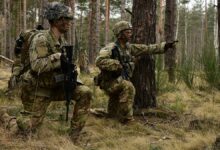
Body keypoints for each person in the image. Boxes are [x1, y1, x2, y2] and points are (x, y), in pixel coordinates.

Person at [1, 2, 92, 142]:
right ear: (55, 20)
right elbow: (37, 66)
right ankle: (6, 118)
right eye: (65, 19)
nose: (68, 22)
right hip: (38, 88)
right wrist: (58, 58)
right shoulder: (41, 39)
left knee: (85, 92)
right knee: (27, 129)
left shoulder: (60, 40)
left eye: (69, 19)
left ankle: (74, 137)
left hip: (55, 85)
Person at [95, 21, 175, 124]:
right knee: (129, 87)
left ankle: (111, 115)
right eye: (127, 32)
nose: (130, 34)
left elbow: (147, 48)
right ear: (120, 34)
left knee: (113, 113)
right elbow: (99, 61)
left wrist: (164, 46)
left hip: (118, 81)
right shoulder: (111, 48)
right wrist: (116, 64)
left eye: (130, 32)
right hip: (108, 82)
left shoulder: (129, 47)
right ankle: (127, 119)